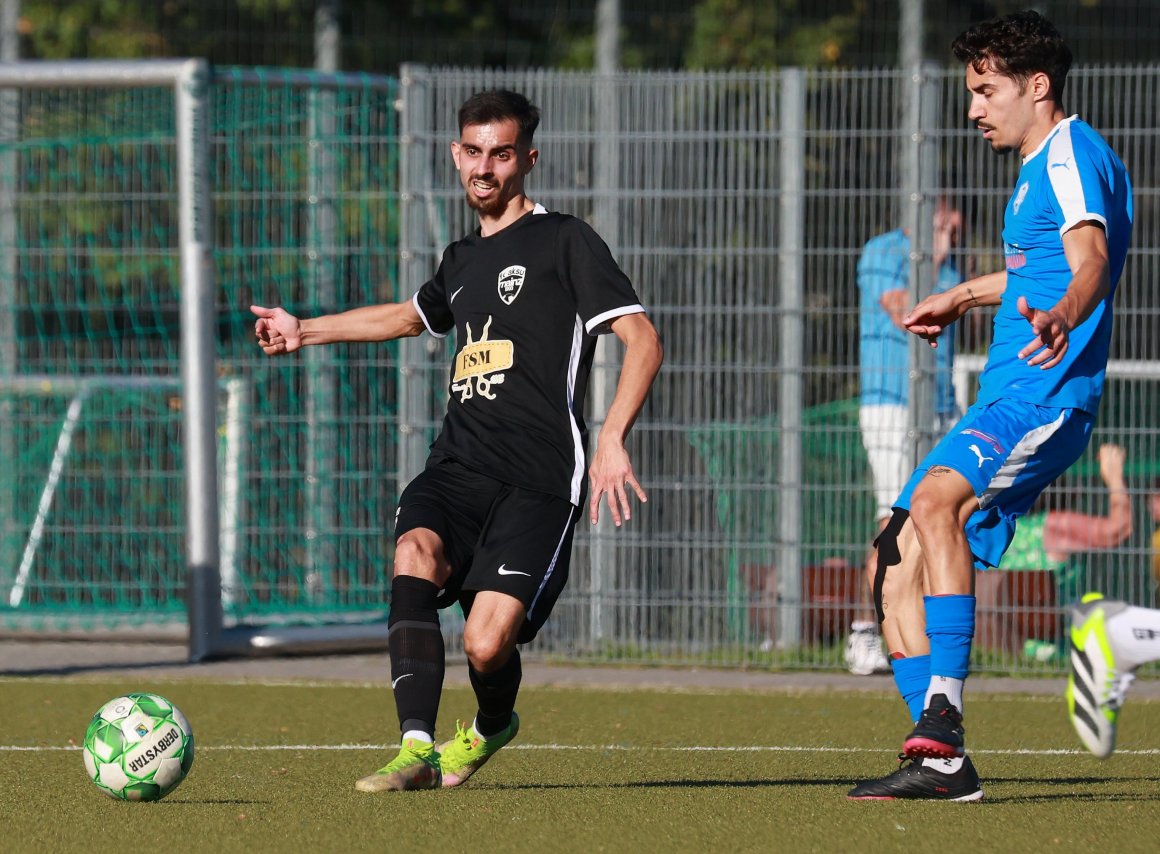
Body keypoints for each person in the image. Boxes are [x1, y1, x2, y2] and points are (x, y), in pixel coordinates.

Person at [251, 89, 663, 792]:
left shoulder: (566, 240)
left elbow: (642, 338)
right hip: (458, 465)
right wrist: (306, 329)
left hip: (538, 480)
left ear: (527, 158)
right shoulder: (461, 258)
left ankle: (491, 724)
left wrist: (614, 439)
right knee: (415, 552)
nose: (485, 168)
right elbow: (409, 318)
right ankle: (415, 745)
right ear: (455, 155)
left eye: (501, 153)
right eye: (473, 152)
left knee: (486, 640)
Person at [847, 10, 1133, 802]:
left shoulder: (1070, 152)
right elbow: (1037, 271)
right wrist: (963, 295)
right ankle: (939, 762)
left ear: (1036, 87)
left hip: (1041, 394)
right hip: (1006, 393)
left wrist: (1064, 316)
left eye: (986, 90)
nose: (974, 108)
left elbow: (1091, 261)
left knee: (937, 502)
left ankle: (943, 718)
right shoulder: (1037, 166)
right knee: (894, 557)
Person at [847, 202, 964, 676]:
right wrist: (935, 257)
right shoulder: (884, 251)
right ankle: (863, 633)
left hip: (937, 406)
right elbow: (904, 313)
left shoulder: (952, 263)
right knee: (893, 519)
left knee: (935, 519)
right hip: (892, 404)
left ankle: (915, 634)